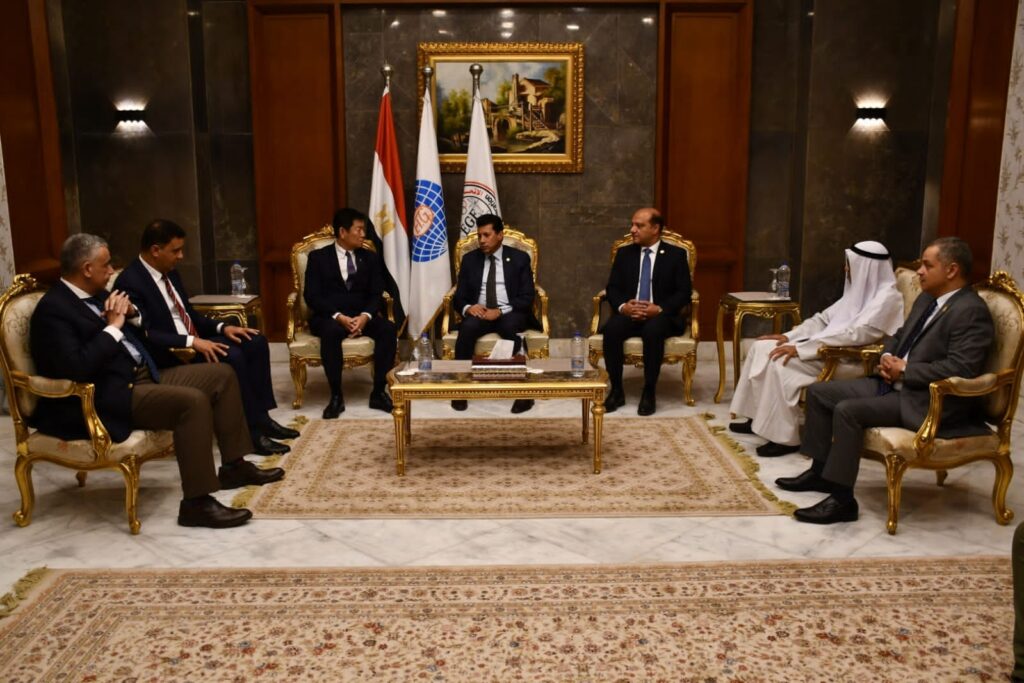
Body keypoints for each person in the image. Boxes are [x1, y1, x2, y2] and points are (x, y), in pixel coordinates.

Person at [31, 234, 284, 529]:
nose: (111, 270)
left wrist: (131, 313)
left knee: (222, 374)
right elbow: (78, 367)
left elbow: (143, 329)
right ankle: (197, 503)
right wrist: (114, 327)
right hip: (110, 394)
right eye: (106, 264)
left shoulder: (97, 295)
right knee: (192, 403)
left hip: (142, 374)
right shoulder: (54, 310)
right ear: (87, 269)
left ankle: (234, 467)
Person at [776, 237, 993, 524]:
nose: (919, 272)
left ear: (952, 270)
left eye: (927, 266)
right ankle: (820, 473)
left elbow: (961, 368)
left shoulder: (971, 311)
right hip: (893, 382)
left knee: (848, 411)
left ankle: (842, 501)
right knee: (820, 392)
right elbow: (899, 335)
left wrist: (906, 370)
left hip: (925, 400)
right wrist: (889, 356)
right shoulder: (927, 299)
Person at [114, 219, 298, 456]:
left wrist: (223, 328)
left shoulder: (170, 273)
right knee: (232, 355)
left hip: (194, 340)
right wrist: (193, 342)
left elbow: (189, 314)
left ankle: (261, 418)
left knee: (256, 342)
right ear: (155, 250)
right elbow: (146, 334)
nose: (181, 256)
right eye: (176, 251)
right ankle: (251, 433)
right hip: (171, 353)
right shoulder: (130, 282)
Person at [729, 241, 904, 457]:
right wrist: (788, 337)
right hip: (824, 350)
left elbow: (856, 335)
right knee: (761, 347)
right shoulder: (856, 293)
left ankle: (784, 439)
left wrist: (802, 348)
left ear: (867, 267)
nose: (846, 269)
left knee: (780, 361)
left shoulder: (889, 299)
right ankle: (755, 418)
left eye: (851, 264)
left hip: (851, 360)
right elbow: (822, 320)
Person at [304, 208, 397, 418]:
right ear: (342, 232)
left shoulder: (370, 258)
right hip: (330, 317)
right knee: (331, 332)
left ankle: (378, 392)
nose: (363, 234)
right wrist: (339, 317)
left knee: (388, 329)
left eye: (364, 230)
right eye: (359, 229)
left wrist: (365, 316)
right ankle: (336, 396)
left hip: (362, 315)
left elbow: (377, 293)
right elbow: (312, 296)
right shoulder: (318, 258)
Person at [602, 207, 692, 416]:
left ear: (655, 228)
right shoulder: (625, 254)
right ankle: (616, 391)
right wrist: (624, 307)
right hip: (630, 313)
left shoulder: (675, 255)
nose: (632, 230)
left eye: (639, 225)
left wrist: (659, 308)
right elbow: (612, 288)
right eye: (632, 224)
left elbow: (684, 292)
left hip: (662, 315)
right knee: (612, 329)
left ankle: (649, 391)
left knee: (653, 331)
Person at [450, 214, 539, 414]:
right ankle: (460, 390)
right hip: (480, 312)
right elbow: (459, 297)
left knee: (510, 328)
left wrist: (499, 311)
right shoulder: (470, 260)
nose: (481, 240)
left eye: (486, 235)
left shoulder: (519, 258)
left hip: (509, 311)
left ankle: (524, 394)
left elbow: (527, 297)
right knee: (467, 328)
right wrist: (468, 308)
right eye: (479, 235)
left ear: (500, 235)